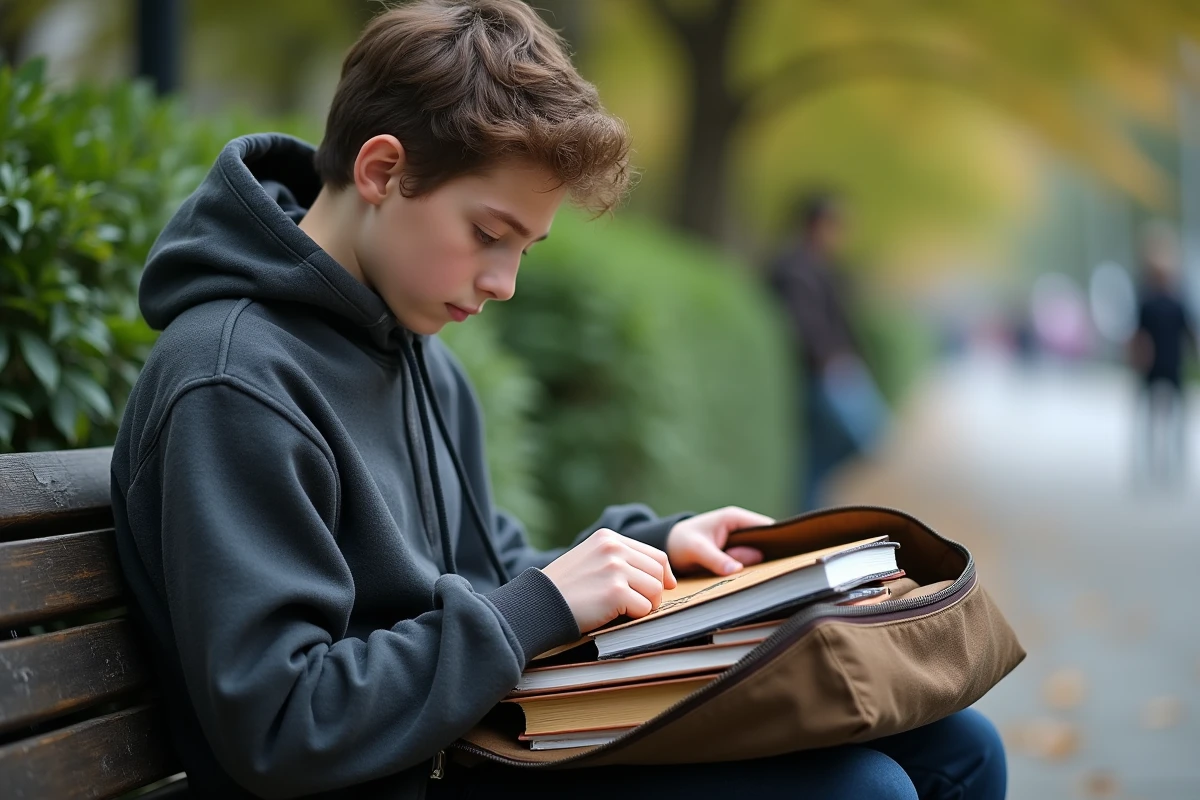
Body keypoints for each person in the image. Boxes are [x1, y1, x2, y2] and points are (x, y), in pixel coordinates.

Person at [110, 2, 1003, 798]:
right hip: (394, 771)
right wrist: (536, 604)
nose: (501, 283)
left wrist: (655, 555)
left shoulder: (418, 351)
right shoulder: (235, 382)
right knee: (863, 790)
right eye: (488, 235)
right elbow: (281, 722)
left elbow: (485, 568)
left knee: (956, 744)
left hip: (466, 743)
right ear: (382, 170)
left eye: (525, 251)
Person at [767, 191, 889, 512]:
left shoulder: (824, 268)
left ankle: (808, 505)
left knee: (819, 456)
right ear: (816, 224)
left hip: (834, 371)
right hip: (822, 376)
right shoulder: (794, 267)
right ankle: (806, 506)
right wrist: (831, 361)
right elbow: (803, 324)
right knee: (861, 435)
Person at [1129, 222, 1196, 486]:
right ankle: (1169, 464)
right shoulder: (1174, 301)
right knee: (1170, 416)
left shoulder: (1147, 300)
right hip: (1168, 364)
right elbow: (1190, 333)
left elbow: (1138, 335)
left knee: (1154, 416)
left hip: (1156, 364)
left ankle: (1160, 463)